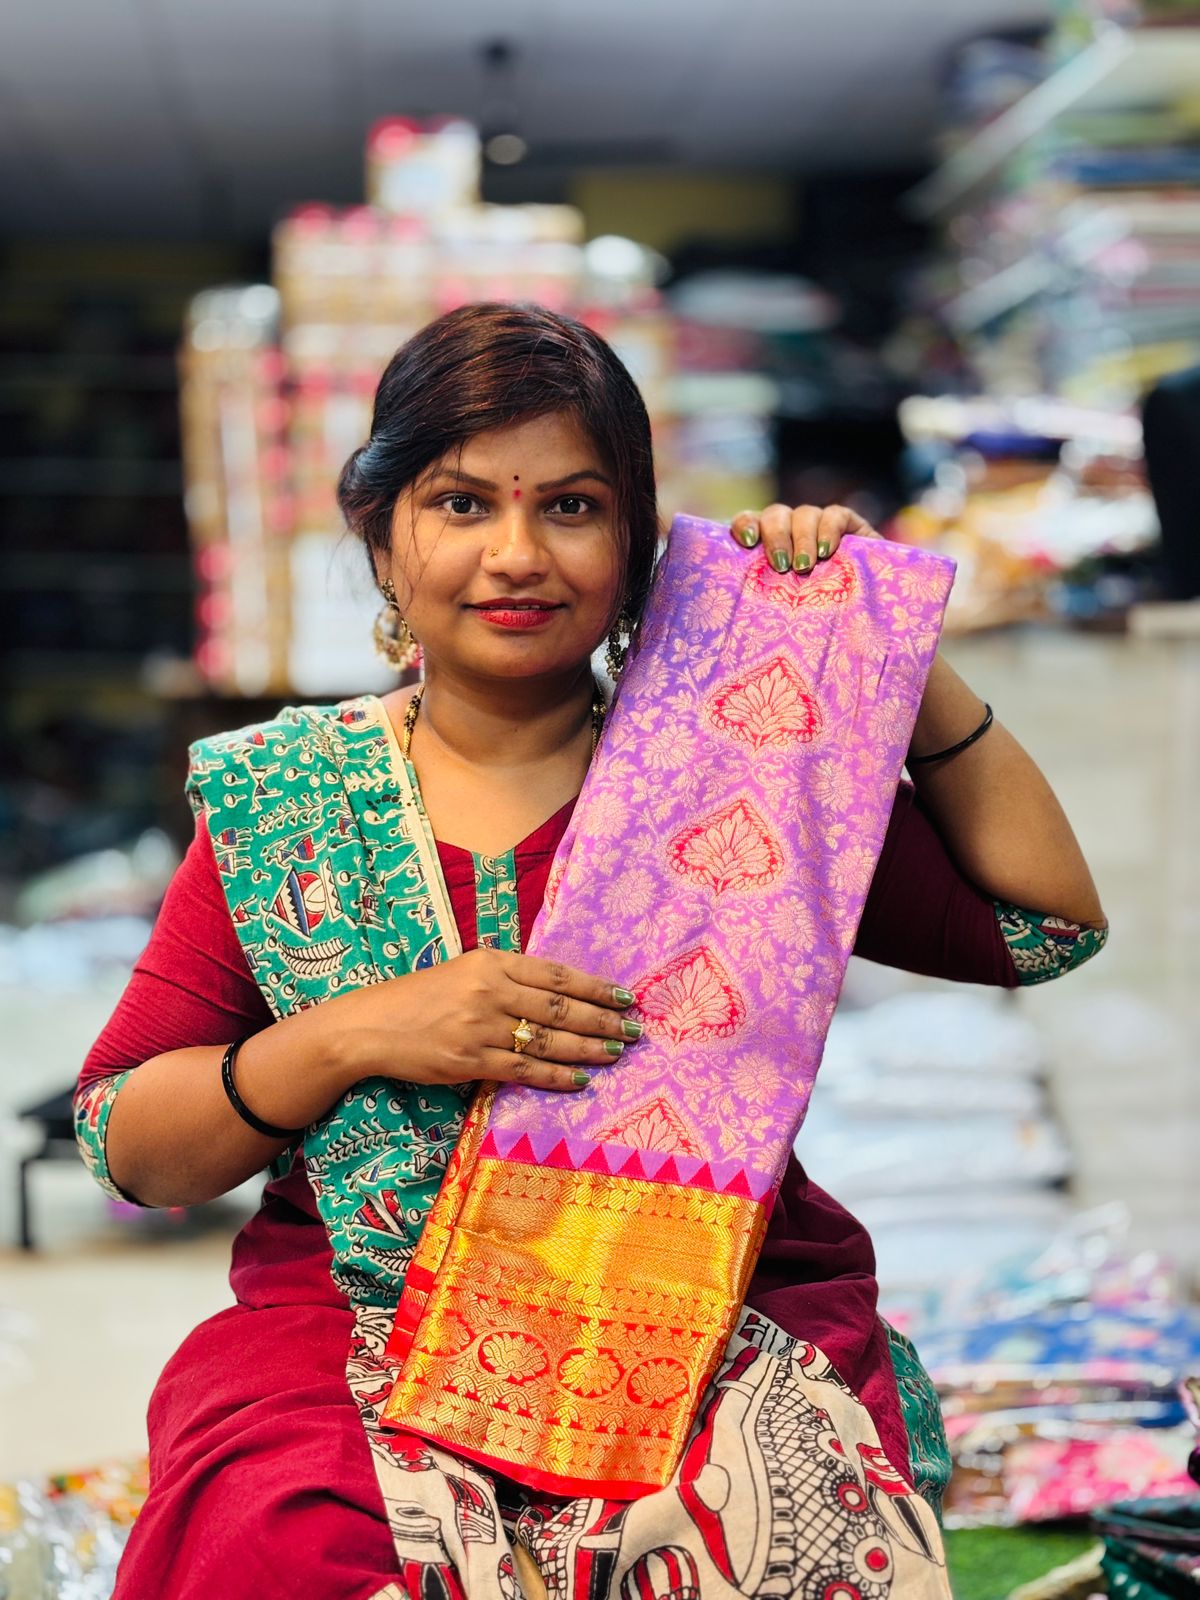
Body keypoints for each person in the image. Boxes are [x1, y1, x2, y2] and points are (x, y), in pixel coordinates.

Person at [76, 303, 1107, 1600]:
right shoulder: (290, 799)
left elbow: (1043, 924)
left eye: (570, 507)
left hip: (707, 1308)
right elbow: (126, 1142)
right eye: (461, 505)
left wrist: (893, 649)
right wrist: (347, 1034)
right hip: (357, 1322)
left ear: (633, 545)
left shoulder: (740, 772)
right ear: (381, 538)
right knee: (276, 1543)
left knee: (762, 1532)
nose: (517, 555)